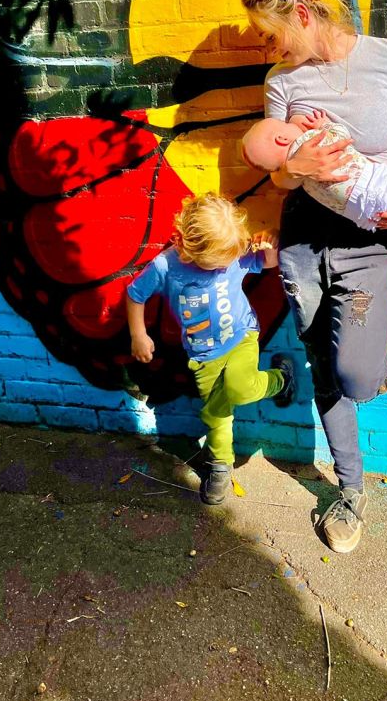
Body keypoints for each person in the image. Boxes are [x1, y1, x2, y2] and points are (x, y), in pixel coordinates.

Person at [241, 0, 387, 553]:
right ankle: (351, 489)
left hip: (371, 236)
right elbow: (278, 171)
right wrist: (299, 167)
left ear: (302, 14)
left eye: (270, 31)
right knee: (319, 361)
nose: (266, 44)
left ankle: (367, 353)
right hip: (305, 235)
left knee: (354, 376)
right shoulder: (282, 81)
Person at [126, 193, 295, 505]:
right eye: (217, 262)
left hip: (241, 337)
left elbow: (269, 263)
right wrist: (138, 334)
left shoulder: (230, 252)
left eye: (227, 260)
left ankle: (280, 379)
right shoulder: (166, 266)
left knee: (242, 390)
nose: (225, 266)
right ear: (189, 248)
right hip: (203, 356)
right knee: (217, 414)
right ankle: (219, 466)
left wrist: (272, 243)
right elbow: (135, 294)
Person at [242, 109, 387, 257]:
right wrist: (326, 125)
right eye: (284, 123)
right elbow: (342, 136)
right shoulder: (311, 143)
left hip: (362, 215)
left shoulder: (305, 181)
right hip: (373, 188)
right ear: (281, 138)